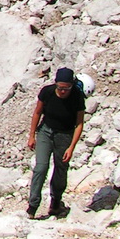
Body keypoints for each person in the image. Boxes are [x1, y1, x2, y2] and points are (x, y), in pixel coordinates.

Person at [26, 67, 85, 219]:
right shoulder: (47, 92)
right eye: (60, 87)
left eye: (67, 88)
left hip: (65, 135)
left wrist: (71, 147)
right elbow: (37, 112)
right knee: (41, 167)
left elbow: (79, 124)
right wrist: (32, 135)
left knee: (61, 168)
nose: (63, 91)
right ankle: (32, 207)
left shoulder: (77, 97)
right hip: (46, 131)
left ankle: (55, 203)